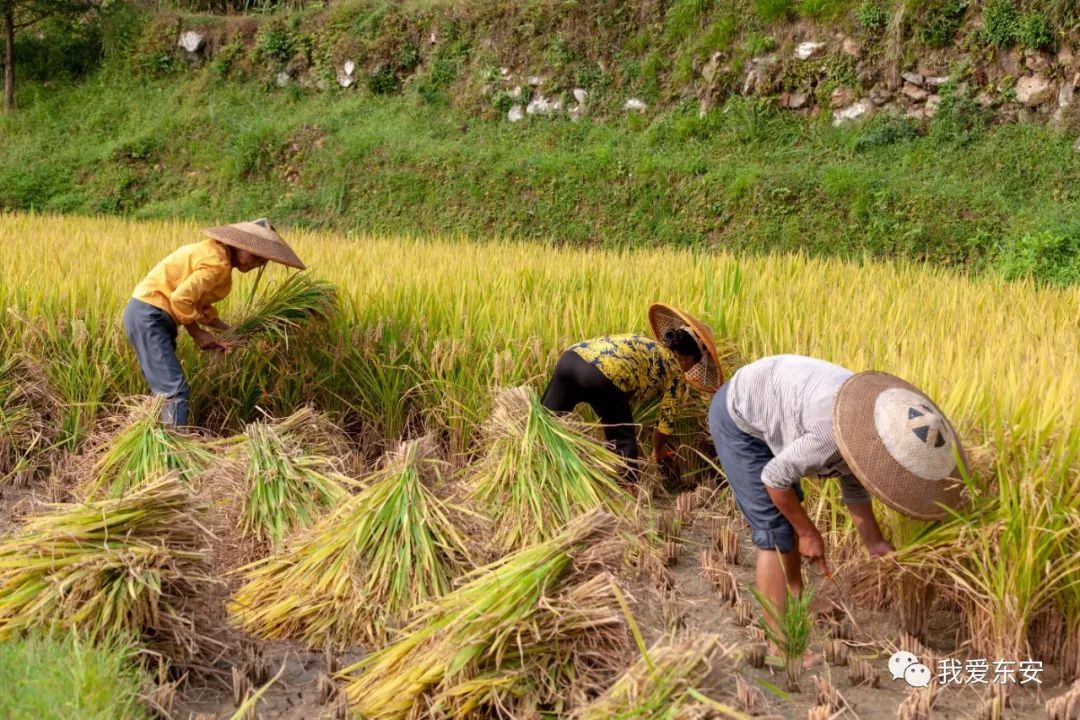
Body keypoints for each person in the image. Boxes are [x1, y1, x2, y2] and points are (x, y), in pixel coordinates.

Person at [708, 354, 967, 657]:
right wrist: (807, 532)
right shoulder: (832, 432)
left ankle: (795, 597)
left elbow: (854, 482)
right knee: (775, 530)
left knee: (789, 518)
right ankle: (781, 649)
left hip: (777, 400)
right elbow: (774, 479)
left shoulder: (870, 431)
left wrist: (874, 541)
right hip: (738, 413)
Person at [123, 218, 306, 427]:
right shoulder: (218, 264)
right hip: (150, 316)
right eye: (254, 256)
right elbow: (181, 299)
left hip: (146, 315)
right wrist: (197, 333)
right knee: (174, 391)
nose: (256, 264)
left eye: (263, 261)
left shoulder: (214, 252)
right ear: (239, 245)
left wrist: (231, 331)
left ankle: (154, 441)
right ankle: (170, 453)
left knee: (164, 390)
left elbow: (200, 306)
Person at [541, 303, 723, 482]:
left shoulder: (645, 343)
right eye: (694, 364)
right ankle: (630, 494)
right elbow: (664, 426)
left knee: (546, 424)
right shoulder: (676, 374)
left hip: (570, 359)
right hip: (603, 377)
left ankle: (538, 474)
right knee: (623, 440)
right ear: (688, 358)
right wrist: (658, 451)